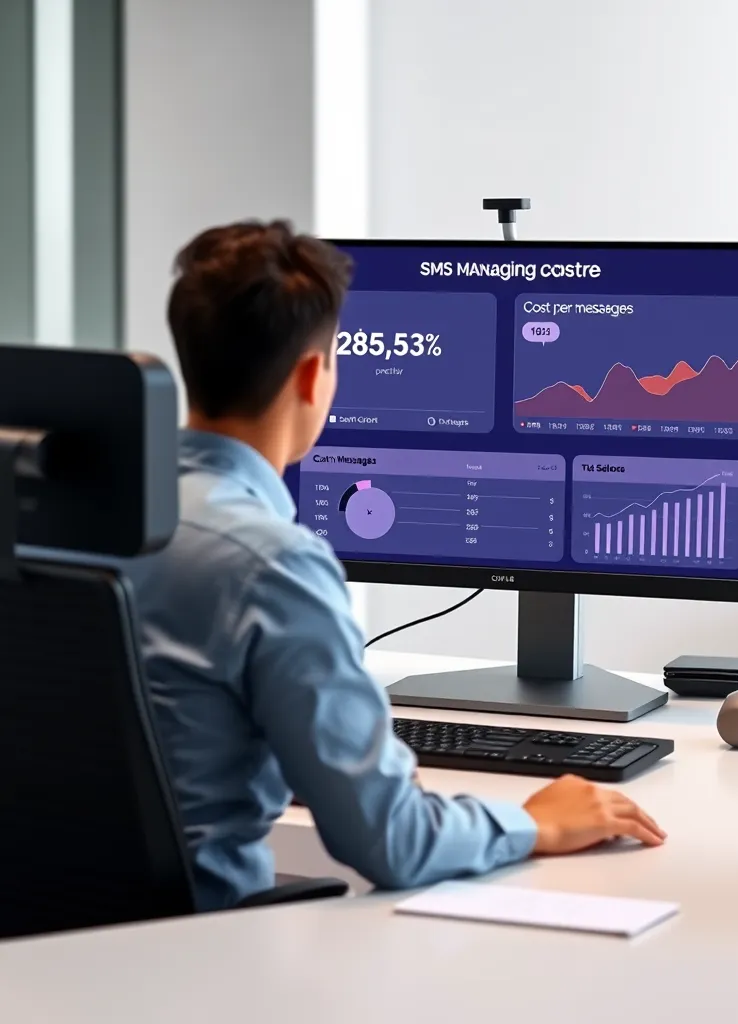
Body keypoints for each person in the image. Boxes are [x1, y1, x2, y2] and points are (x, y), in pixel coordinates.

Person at [127, 220, 665, 910]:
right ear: (313, 375)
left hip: (56, 954)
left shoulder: (85, 518)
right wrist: (534, 820)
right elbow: (393, 843)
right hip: (203, 948)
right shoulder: (274, 567)